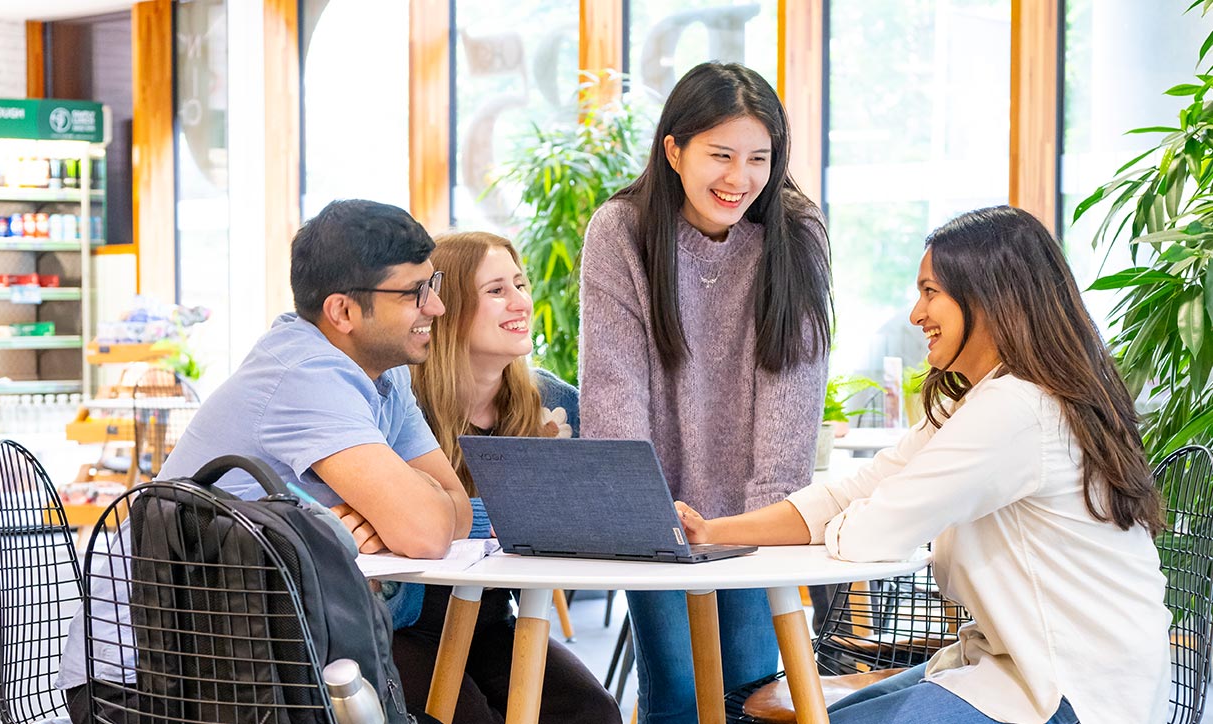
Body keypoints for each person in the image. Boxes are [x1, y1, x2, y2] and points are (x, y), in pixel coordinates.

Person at [677, 205, 1171, 724]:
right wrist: (715, 532)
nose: (916, 314)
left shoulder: (1018, 410)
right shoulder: (984, 399)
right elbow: (856, 495)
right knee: (825, 715)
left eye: (931, 291)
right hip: (1020, 663)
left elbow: (872, 531)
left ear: (989, 296)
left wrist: (868, 514)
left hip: (1073, 688)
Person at [55, 199, 471, 724]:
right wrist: (397, 512)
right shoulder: (307, 374)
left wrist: (393, 514)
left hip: (254, 657)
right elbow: (430, 530)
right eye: (415, 293)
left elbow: (455, 509)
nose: (434, 307)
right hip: (153, 681)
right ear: (342, 311)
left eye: (431, 285)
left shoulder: (384, 373)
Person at [578, 61, 832, 724]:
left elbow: (791, 394)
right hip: (655, 516)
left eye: (758, 158)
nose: (738, 178)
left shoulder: (796, 233)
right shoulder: (622, 231)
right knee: (678, 689)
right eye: (720, 155)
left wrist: (759, 528)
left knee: (748, 689)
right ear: (673, 149)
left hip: (755, 518)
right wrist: (642, 520)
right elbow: (614, 387)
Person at [401, 230, 622, 723]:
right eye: (497, 290)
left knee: (593, 713)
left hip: (493, 621)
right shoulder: (399, 401)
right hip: (406, 624)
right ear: (448, 307)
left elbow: (586, 514)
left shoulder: (555, 406)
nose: (521, 301)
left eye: (520, 285)